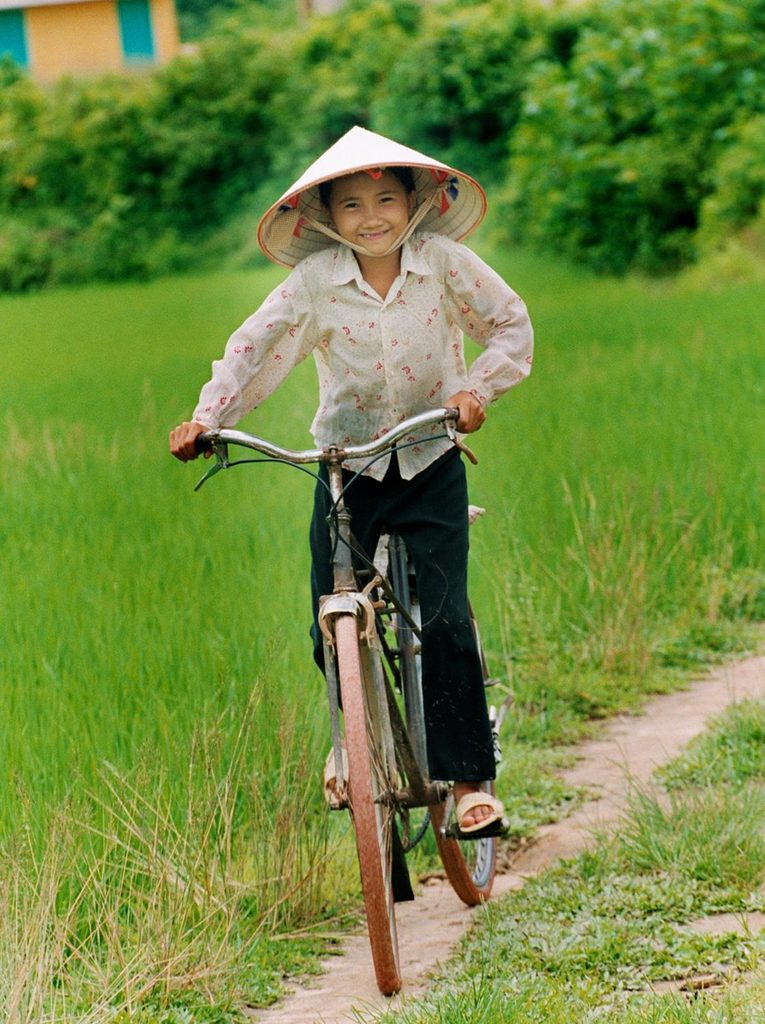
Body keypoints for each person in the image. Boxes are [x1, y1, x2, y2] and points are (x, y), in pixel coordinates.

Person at [170, 126, 533, 835]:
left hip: (428, 454)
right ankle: (349, 746)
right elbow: (254, 348)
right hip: (346, 466)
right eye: (351, 206)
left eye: (385, 199)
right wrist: (206, 418)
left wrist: (476, 392)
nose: (371, 218)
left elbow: (509, 325)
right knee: (329, 617)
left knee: (446, 618)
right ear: (326, 220)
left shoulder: (443, 263)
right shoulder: (313, 282)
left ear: (414, 202)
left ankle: (467, 783)